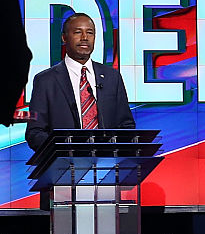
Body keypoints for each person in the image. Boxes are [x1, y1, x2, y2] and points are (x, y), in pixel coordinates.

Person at [26, 13, 134, 152]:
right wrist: (62, 151)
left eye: (90, 33)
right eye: (78, 32)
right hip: (63, 167)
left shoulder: (112, 77)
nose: (85, 38)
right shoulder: (46, 80)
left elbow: (126, 125)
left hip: (107, 166)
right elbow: (35, 132)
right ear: (64, 38)